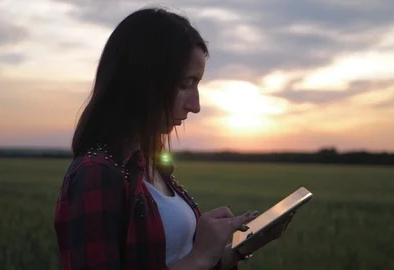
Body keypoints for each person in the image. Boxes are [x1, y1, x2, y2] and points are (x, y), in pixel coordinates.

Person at [54, 7, 288, 270]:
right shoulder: (96, 174)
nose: (196, 105)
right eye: (186, 83)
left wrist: (224, 254)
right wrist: (200, 256)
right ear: (144, 80)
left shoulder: (153, 166)